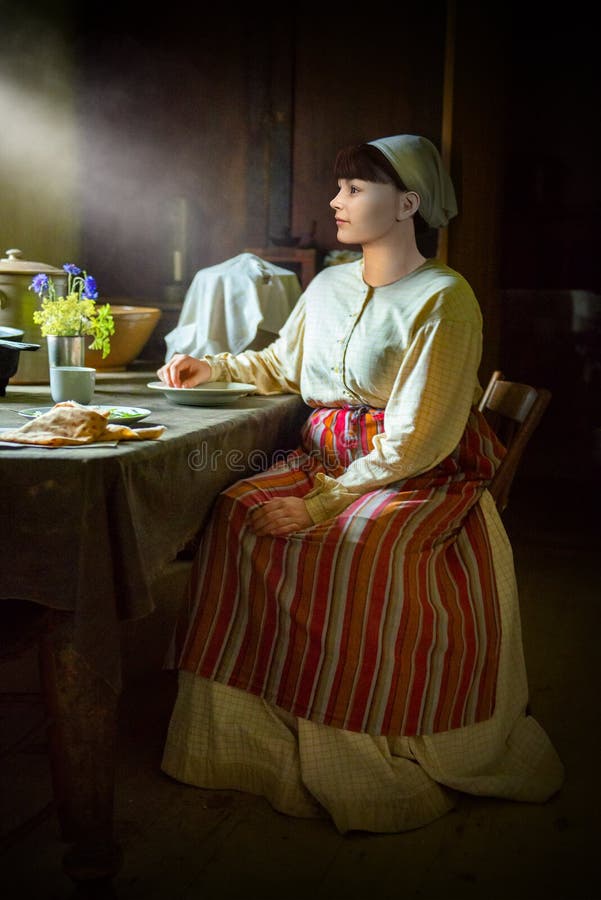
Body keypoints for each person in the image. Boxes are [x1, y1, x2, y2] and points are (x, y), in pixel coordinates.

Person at [157, 134, 564, 833]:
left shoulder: (444, 298)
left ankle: (363, 747)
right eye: (338, 187)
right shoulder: (329, 284)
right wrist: (213, 366)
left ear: (407, 203)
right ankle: (248, 744)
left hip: (416, 468)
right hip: (324, 456)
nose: (334, 202)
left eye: (353, 189)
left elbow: (419, 437)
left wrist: (320, 502)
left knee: (353, 543)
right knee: (234, 513)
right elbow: (283, 366)